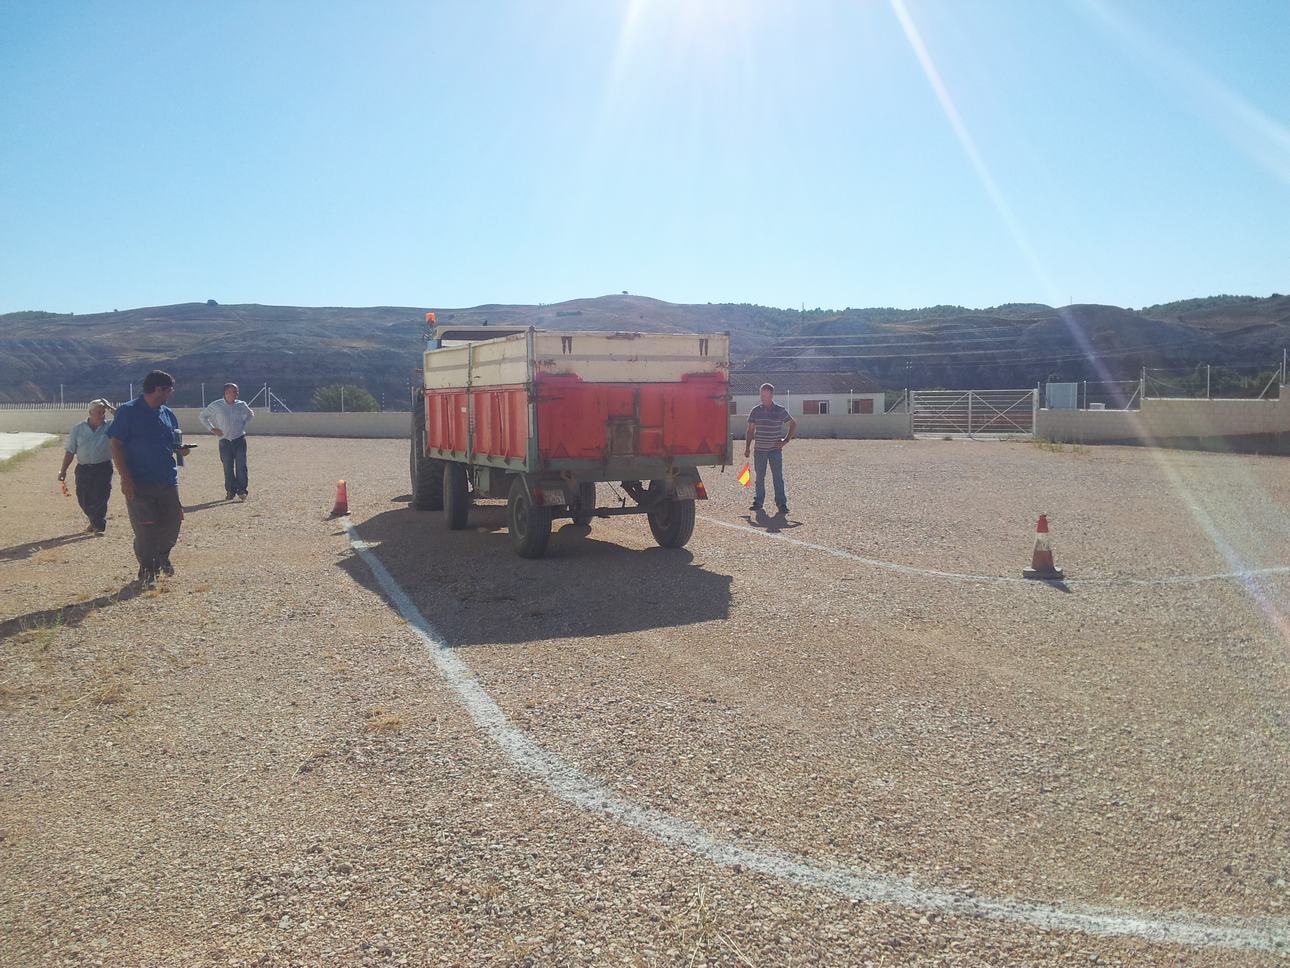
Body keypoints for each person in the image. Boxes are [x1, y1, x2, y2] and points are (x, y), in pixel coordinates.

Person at [108, 370, 189, 589]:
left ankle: (161, 556)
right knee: (146, 529)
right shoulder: (128, 411)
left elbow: (172, 443)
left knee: (172, 524)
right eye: (169, 390)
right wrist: (126, 479)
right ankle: (148, 569)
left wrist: (181, 449)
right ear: (158, 389)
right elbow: (115, 444)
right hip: (139, 481)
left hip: (167, 480)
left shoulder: (168, 414)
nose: (171, 394)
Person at [58, 398, 116, 534]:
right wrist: (63, 470)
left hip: (103, 467)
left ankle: (98, 526)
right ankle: (94, 520)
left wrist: (109, 407)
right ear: (90, 413)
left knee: (101, 496)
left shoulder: (110, 426)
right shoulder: (78, 429)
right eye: (98, 412)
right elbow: (70, 451)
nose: (102, 415)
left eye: (103, 412)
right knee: (83, 498)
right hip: (84, 468)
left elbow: (123, 418)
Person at [744, 382, 796, 516]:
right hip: (759, 450)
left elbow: (793, 424)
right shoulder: (755, 411)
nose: (763, 398)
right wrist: (747, 447)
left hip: (775, 450)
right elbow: (750, 430)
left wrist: (786, 440)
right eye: (761, 395)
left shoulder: (780, 410)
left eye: (765, 395)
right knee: (759, 477)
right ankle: (758, 502)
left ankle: (781, 503)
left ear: (771, 395)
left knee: (777, 477)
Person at [199, 382, 255, 500]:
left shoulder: (241, 405)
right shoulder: (216, 405)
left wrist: (243, 423)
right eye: (233, 391)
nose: (236, 393)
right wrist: (212, 428)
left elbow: (250, 414)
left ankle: (242, 490)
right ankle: (230, 490)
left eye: (236, 391)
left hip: (239, 439)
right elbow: (203, 416)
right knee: (227, 467)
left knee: (241, 466)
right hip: (224, 441)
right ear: (226, 392)